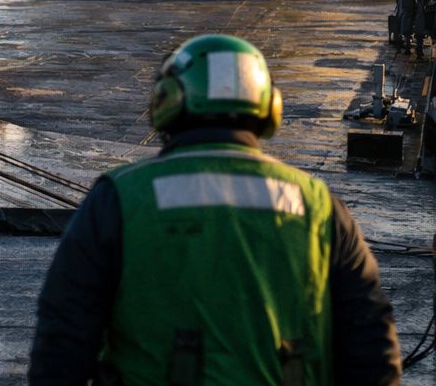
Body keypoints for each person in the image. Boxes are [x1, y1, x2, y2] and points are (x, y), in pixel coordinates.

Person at [28, 34, 401, 384]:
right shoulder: (317, 205)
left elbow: (62, 344)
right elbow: (372, 348)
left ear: (168, 100)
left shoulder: (119, 198)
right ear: (269, 106)